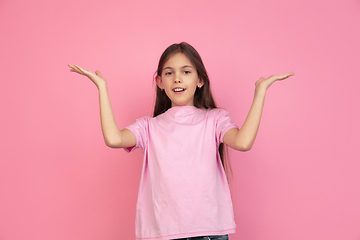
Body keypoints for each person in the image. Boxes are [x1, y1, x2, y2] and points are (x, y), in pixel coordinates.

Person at [68, 42, 294, 240]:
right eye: (169, 73)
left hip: (208, 232)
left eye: (186, 71)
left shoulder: (214, 119)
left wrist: (260, 92)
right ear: (159, 82)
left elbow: (243, 142)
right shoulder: (149, 127)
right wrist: (102, 88)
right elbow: (114, 138)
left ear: (200, 80)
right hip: (162, 234)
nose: (177, 78)